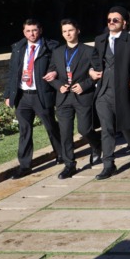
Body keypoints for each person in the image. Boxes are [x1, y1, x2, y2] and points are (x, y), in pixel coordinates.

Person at [89, 7, 130, 180]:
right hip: (103, 91)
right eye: (109, 20)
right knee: (107, 128)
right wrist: (91, 71)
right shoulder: (100, 40)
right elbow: (95, 60)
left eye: (116, 20)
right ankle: (108, 164)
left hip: (122, 88)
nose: (111, 22)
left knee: (126, 124)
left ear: (124, 23)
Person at [4, 19, 60, 179]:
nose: (32, 34)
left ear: (40, 30)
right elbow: (12, 72)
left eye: (34, 30)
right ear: (24, 32)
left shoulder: (51, 47)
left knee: (51, 126)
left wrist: (55, 72)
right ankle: (25, 166)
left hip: (41, 94)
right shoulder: (18, 48)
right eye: (28, 31)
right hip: (23, 96)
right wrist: (8, 94)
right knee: (24, 131)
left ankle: (62, 154)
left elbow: (58, 65)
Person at [45, 19, 98, 178]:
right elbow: (51, 74)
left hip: (82, 96)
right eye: (64, 31)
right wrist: (58, 85)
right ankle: (69, 164)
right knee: (65, 132)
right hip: (63, 97)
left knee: (84, 129)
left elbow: (98, 74)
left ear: (78, 31)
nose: (68, 34)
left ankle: (98, 145)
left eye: (70, 30)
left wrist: (85, 85)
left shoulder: (89, 51)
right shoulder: (57, 52)